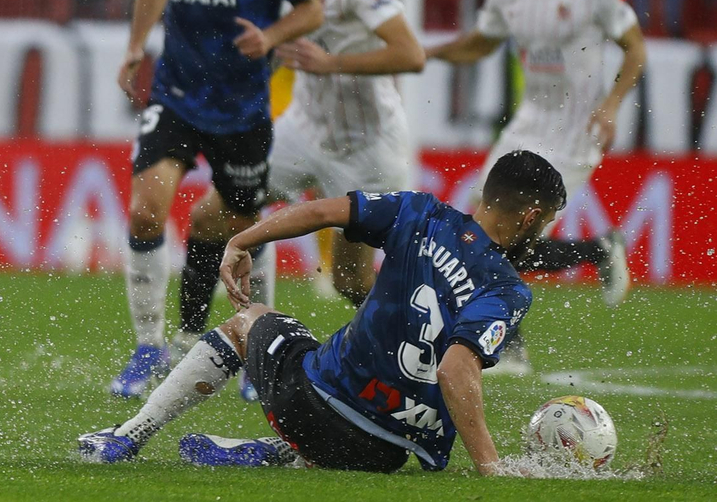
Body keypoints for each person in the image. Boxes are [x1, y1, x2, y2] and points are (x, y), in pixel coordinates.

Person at [77, 150, 564, 475]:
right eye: (546, 221)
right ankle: (286, 455)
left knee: (249, 320)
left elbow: (320, 213)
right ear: (528, 217)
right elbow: (457, 367)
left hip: (310, 408)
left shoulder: (418, 212)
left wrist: (243, 238)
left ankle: (129, 436)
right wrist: (489, 467)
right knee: (345, 363)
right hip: (384, 455)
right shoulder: (508, 290)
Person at [111, 0, 324, 398]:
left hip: (242, 110)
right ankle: (148, 347)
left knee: (240, 228)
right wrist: (137, 46)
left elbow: (312, 6)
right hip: (176, 97)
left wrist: (273, 35)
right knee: (146, 211)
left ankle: (261, 350)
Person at [427, 0, 644, 375]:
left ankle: (510, 342)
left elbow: (636, 49)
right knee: (483, 230)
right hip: (527, 124)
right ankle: (593, 255)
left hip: (576, 129)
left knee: (513, 241)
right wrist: (431, 54)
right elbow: (483, 41)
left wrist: (610, 106)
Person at [267, 0, 426, 316]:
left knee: (349, 280)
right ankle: (211, 335)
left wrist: (332, 63)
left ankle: (417, 343)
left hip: (367, 147)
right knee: (221, 207)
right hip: (303, 128)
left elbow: (411, 55)